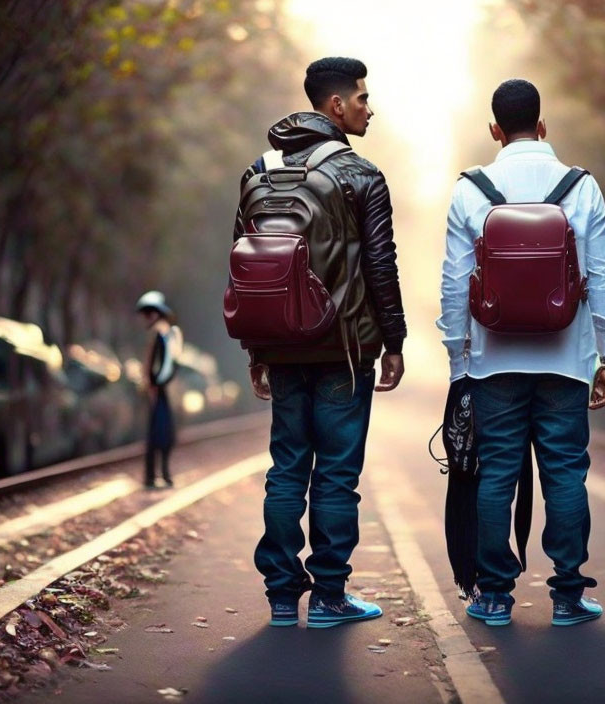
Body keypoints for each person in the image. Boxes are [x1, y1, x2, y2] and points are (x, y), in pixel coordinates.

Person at [232, 57, 406, 628]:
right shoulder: (361, 175)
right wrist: (395, 339)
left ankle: (283, 597)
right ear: (336, 106)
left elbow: (247, 265)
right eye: (361, 98)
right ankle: (330, 597)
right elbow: (381, 265)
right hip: (344, 351)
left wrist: (257, 349)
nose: (368, 107)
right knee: (335, 473)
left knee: (286, 468)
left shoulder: (258, 171)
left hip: (281, 348)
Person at [437, 79, 605, 627]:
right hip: (566, 358)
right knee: (565, 472)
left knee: (496, 474)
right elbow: (601, 274)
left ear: (495, 130)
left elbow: (454, 281)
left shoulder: (472, 189)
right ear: (543, 126)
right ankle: (567, 596)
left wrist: (457, 360)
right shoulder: (581, 187)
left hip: (495, 360)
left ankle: (493, 596)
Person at [136, 290, 182, 490]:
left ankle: (154, 476)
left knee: (158, 432)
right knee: (161, 431)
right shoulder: (168, 332)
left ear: (156, 313)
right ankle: (159, 474)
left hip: (160, 389)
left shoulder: (160, 333)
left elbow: (161, 365)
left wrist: (155, 383)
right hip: (163, 389)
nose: (146, 317)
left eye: (149, 313)